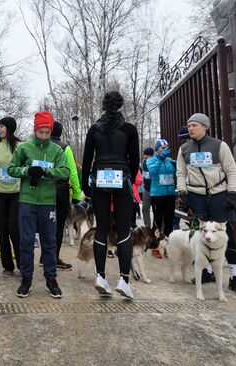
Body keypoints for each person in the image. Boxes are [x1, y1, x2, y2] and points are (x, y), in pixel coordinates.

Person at [176, 113, 236, 296]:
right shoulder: (184, 149)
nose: (190, 128)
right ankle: (207, 273)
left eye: (194, 125)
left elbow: (232, 170)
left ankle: (234, 277)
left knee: (227, 235)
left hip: (219, 195)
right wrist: (182, 192)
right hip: (196, 196)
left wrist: (233, 193)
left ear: (205, 126)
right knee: (201, 236)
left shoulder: (219, 146)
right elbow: (181, 173)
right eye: (189, 125)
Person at [81, 91, 140, 300]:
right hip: (121, 177)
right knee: (124, 229)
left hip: (99, 179)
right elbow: (135, 160)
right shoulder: (129, 129)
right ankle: (124, 280)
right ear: (121, 105)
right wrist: (129, 181)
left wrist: (85, 187)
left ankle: (100, 277)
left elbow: (87, 160)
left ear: (104, 106)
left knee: (101, 229)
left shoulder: (94, 129)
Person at [8, 111, 69, 299]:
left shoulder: (57, 150)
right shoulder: (24, 148)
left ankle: (51, 278)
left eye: (47, 132)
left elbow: (65, 171)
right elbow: (11, 168)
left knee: (49, 241)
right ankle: (26, 278)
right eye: (40, 132)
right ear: (35, 130)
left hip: (48, 201)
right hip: (27, 199)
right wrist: (27, 170)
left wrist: (47, 171)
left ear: (51, 132)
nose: (43, 135)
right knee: (26, 241)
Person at [0, 117, 21, 277]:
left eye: (2, 126)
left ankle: (22, 263)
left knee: (14, 229)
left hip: (16, 193)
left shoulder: (21, 146)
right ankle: (8, 266)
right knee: (1, 230)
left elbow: (25, 168)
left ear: (10, 128)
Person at [48, 121, 81, 271]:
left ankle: (44, 257)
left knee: (46, 224)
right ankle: (54, 258)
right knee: (59, 225)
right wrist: (76, 192)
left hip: (44, 190)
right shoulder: (64, 148)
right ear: (60, 133)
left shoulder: (43, 146)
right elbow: (72, 172)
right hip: (61, 191)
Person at [147, 139, 177, 258]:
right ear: (157, 150)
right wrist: (160, 158)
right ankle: (155, 247)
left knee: (169, 221)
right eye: (163, 148)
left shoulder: (169, 161)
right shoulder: (150, 160)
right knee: (158, 221)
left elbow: (177, 170)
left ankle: (167, 247)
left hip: (170, 194)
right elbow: (153, 171)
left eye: (167, 147)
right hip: (157, 195)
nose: (165, 150)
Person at [173, 126, 190, 230]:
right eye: (183, 141)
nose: (185, 143)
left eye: (186, 139)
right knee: (179, 206)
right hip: (184, 185)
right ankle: (175, 224)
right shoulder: (183, 150)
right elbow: (181, 171)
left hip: (197, 185)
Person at [141, 147, 154, 228]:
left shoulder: (155, 162)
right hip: (146, 188)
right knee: (145, 208)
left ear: (152, 155)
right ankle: (147, 227)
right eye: (144, 154)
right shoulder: (144, 162)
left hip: (155, 189)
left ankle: (157, 228)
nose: (145, 156)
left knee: (156, 210)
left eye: (147, 155)